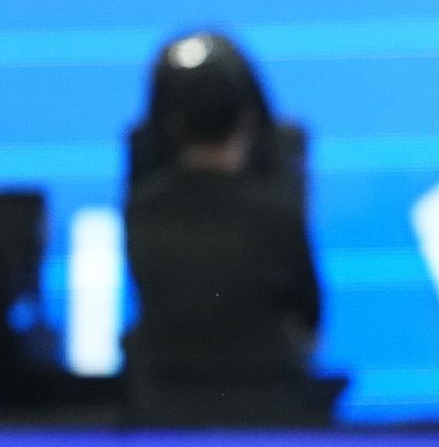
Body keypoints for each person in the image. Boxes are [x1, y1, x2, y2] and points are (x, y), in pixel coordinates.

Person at [124, 33, 323, 426]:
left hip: (163, 408)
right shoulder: (277, 212)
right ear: (248, 120)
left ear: (172, 125)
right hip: (265, 409)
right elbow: (309, 321)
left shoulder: (141, 209)